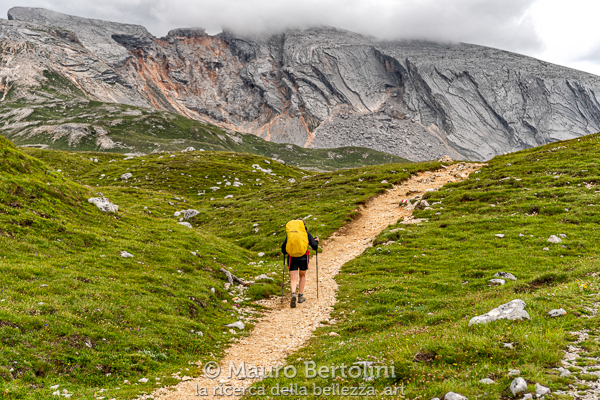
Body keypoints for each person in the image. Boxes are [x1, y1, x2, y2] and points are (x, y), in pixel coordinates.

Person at [281, 219, 319, 308]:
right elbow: (314, 246)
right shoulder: (306, 233)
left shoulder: (291, 234)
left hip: (292, 258)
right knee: (302, 275)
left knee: (293, 278)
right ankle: (300, 296)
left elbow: (283, 248)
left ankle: (293, 293)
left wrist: (286, 252)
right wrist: (316, 241)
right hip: (303, 257)